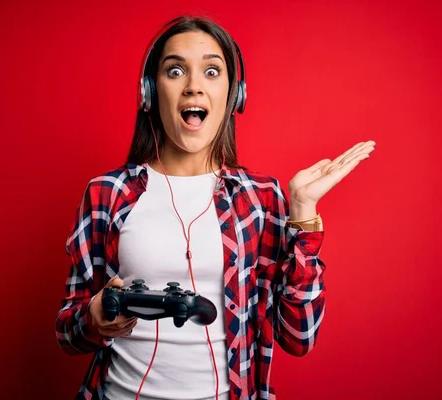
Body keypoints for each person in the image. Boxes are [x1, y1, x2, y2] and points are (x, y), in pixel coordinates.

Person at [55, 15, 376, 400]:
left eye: (211, 71)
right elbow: (67, 334)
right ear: (150, 92)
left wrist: (304, 215)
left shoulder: (261, 199)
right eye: (175, 71)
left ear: (234, 94)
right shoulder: (106, 194)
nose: (193, 87)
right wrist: (92, 319)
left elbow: (299, 336)